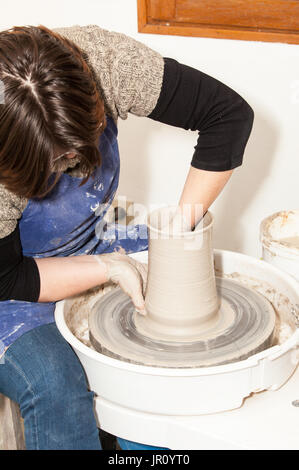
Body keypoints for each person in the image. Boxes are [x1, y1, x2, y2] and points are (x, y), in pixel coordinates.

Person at [0, 24, 254, 450]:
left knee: (167, 360)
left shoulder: (104, 62)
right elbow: (7, 277)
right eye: (56, 161)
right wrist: (107, 267)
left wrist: (179, 231)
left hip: (90, 234)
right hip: (11, 283)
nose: (73, 166)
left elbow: (227, 115)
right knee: (55, 384)